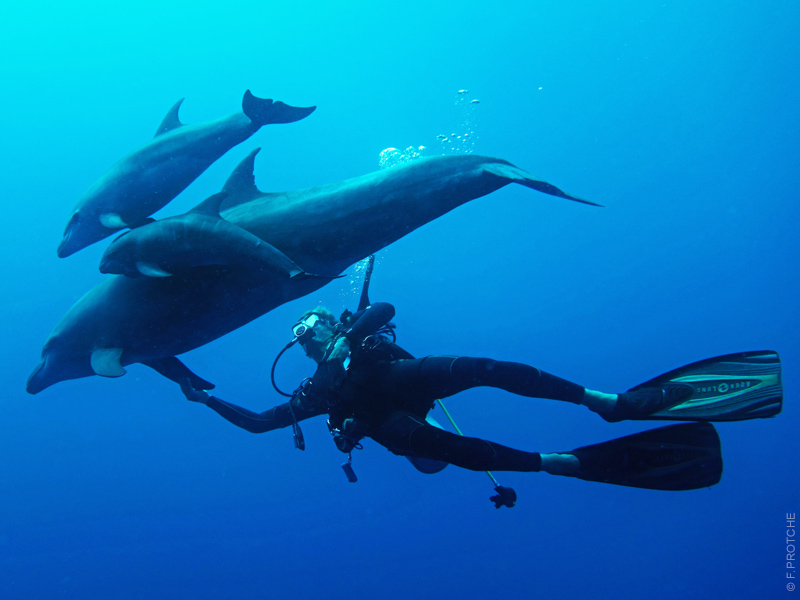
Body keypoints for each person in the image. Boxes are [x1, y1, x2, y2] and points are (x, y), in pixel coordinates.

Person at [179, 302, 781, 498]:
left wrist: (353, 332)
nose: (309, 337)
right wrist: (203, 399)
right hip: (386, 421)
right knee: (455, 451)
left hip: (408, 381)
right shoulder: (316, 389)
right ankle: (561, 462)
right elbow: (261, 423)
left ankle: (608, 401)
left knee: (486, 367)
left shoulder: (361, 336)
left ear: (328, 325)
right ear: (302, 351)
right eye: (302, 337)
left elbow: (385, 310)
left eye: (314, 327)